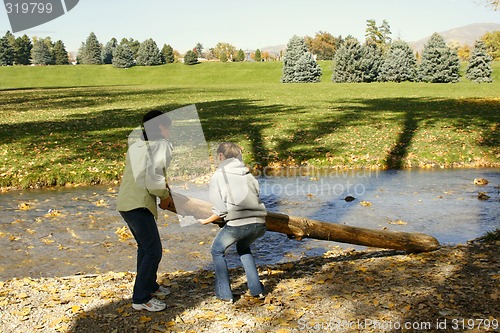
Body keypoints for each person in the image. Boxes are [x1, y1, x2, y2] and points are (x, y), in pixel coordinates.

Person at [117, 110, 173, 312]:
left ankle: (150, 286)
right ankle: (140, 298)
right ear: (159, 127)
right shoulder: (160, 146)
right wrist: (165, 197)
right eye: (167, 127)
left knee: (145, 248)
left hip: (126, 203)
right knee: (154, 250)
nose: (169, 131)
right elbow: (154, 181)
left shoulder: (137, 145)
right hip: (138, 205)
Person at [199, 142, 267, 302]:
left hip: (239, 225)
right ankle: (257, 290)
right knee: (243, 247)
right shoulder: (248, 174)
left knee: (217, 250)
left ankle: (224, 294)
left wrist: (205, 221)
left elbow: (220, 210)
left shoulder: (218, 176)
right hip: (260, 224)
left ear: (221, 156)